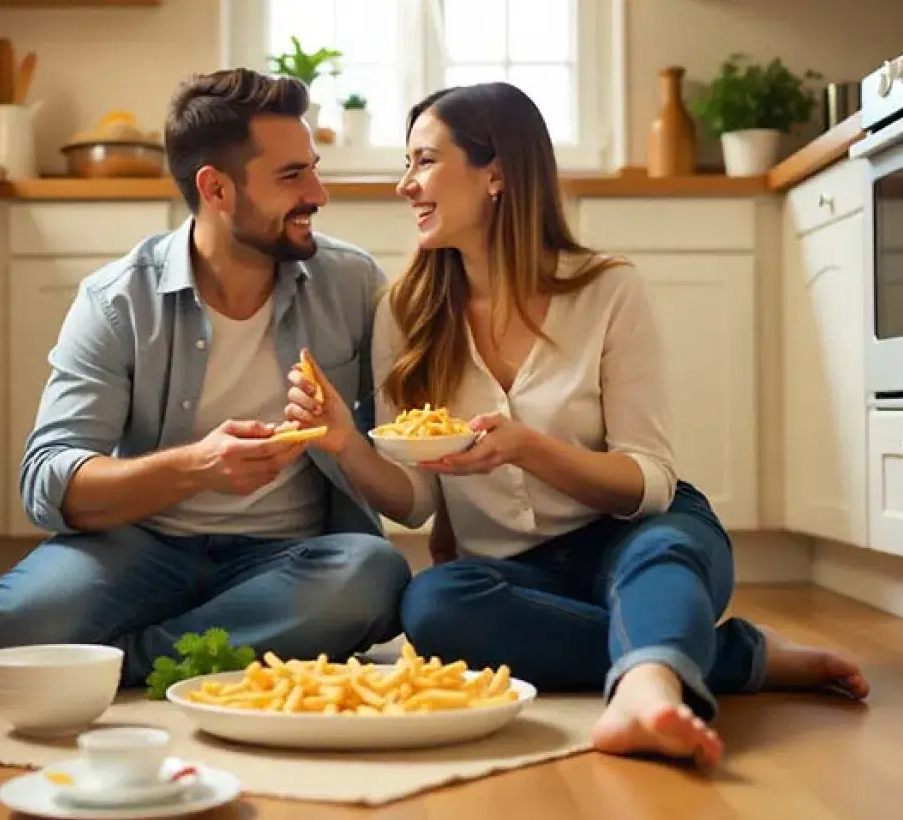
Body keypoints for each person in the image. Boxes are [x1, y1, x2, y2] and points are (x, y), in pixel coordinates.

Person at [283, 82, 870, 767]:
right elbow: (416, 503)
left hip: (631, 533)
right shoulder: (405, 313)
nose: (405, 186)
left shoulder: (606, 290)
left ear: (496, 172)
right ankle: (724, 655)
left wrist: (528, 450)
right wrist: (347, 444)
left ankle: (647, 693)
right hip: (512, 573)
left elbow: (648, 482)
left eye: (423, 162)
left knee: (665, 553)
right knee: (435, 608)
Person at [0, 68, 411, 699]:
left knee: (371, 575)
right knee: (9, 626)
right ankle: (216, 648)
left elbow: (407, 488)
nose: (318, 192)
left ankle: (108, 661)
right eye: (292, 176)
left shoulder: (352, 284)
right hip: (144, 547)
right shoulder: (118, 300)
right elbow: (49, 480)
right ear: (217, 188)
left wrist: (346, 442)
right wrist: (199, 467)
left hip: (288, 558)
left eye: (312, 168)